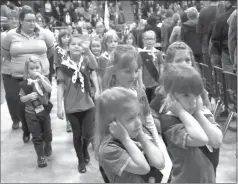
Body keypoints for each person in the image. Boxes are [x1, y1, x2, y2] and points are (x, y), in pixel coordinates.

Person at [159, 63, 223, 183]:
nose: (193, 102)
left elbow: (217, 141)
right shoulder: (170, 122)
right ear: (172, 98)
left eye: (196, 95)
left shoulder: (202, 113)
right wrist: (182, 112)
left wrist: (198, 113)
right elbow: (201, 139)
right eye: (186, 95)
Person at [1, 5, 55, 143]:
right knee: (22, 106)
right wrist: (21, 65)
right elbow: (6, 53)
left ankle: (43, 132)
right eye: (29, 21)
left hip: (41, 76)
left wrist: (39, 66)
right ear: (21, 21)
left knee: (42, 104)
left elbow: (50, 51)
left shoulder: (44, 33)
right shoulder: (10, 35)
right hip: (20, 78)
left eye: (34, 20)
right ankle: (26, 129)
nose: (33, 23)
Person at [95, 87, 165, 183]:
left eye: (138, 115)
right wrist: (125, 139)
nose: (138, 122)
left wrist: (141, 135)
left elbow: (160, 163)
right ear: (112, 123)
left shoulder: (136, 134)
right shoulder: (108, 149)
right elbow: (143, 168)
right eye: (131, 119)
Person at [57, 35, 98, 173]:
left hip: (87, 103)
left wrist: (88, 51)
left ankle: (85, 149)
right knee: (77, 134)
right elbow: (60, 86)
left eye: (79, 44)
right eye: (73, 44)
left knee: (88, 133)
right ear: (67, 47)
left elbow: (95, 66)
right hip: (71, 105)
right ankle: (80, 159)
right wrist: (59, 106)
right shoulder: (63, 65)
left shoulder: (85, 61)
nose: (76, 46)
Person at [19, 56, 52, 168]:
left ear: (41, 68)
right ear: (27, 70)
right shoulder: (25, 84)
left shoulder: (44, 80)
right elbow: (21, 98)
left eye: (37, 68)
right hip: (31, 113)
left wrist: (41, 78)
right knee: (36, 135)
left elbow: (49, 89)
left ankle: (47, 143)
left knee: (47, 133)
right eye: (32, 68)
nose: (35, 70)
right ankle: (40, 156)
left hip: (44, 112)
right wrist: (28, 96)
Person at [1, 10, 20, 129]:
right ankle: (15, 119)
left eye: (16, 18)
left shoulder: (24, 35)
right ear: (7, 20)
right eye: (11, 18)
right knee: (11, 96)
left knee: (24, 96)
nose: (14, 21)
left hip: (23, 70)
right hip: (7, 70)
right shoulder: (3, 36)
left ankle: (26, 118)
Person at [54, 29, 72, 132]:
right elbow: (56, 64)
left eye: (67, 36)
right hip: (62, 74)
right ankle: (68, 121)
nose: (66, 39)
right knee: (65, 96)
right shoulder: (57, 49)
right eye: (63, 37)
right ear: (60, 39)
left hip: (73, 74)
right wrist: (58, 77)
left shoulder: (72, 47)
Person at [210, 0, 236, 72]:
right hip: (229, 48)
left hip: (227, 50)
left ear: (228, 2)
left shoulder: (222, 17)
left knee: (230, 78)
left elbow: (215, 38)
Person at [139, 30, 164, 103]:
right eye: (147, 39)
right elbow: (139, 68)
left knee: (154, 101)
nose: (149, 41)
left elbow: (161, 66)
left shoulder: (158, 53)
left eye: (152, 39)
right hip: (145, 83)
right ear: (143, 40)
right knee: (145, 101)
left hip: (155, 82)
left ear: (155, 40)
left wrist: (161, 79)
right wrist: (140, 83)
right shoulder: (141, 53)